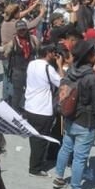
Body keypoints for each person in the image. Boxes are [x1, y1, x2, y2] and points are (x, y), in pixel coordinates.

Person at [54, 39, 95, 189]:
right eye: (94, 53)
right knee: (80, 157)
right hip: (86, 121)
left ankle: (58, 178)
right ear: (90, 56)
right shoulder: (92, 78)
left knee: (65, 148)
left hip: (70, 117)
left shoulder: (71, 71)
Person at [22, 44, 61, 176]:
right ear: (49, 53)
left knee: (34, 137)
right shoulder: (48, 68)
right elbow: (62, 83)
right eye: (54, 53)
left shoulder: (31, 64)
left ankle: (35, 163)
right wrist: (60, 65)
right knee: (41, 139)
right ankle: (35, 168)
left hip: (30, 107)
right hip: (42, 109)